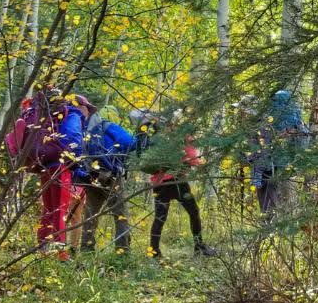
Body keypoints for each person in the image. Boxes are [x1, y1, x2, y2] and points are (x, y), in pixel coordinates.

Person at [7, 88, 86, 261]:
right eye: (87, 108)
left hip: (44, 164)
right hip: (60, 165)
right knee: (59, 210)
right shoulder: (73, 114)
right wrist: (76, 164)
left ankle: (41, 248)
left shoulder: (47, 115)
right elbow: (73, 138)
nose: (87, 112)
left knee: (48, 209)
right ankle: (60, 255)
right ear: (81, 106)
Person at [138, 112, 215, 258]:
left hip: (159, 183)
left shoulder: (157, 138)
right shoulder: (182, 137)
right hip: (177, 182)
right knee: (194, 212)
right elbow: (193, 159)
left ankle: (154, 252)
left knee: (160, 218)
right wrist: (200, 163)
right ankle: (199, 247)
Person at [74, 95, 137, 253]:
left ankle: (86, 250)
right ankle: (123, 250)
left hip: (90, 177)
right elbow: (130, 143)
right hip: (111, 177)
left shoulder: (81, 129)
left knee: (90, 214)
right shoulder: (109, 127)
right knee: (120, 213)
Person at [245, 90, 309, 214]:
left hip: (273, 170)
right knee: (286, 205)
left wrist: (258, 171)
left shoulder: (270, 122)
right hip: (284, 170)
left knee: (276, 206)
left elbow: (263, 150)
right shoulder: (298, 123)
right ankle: (280, 221)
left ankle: (274, 221)